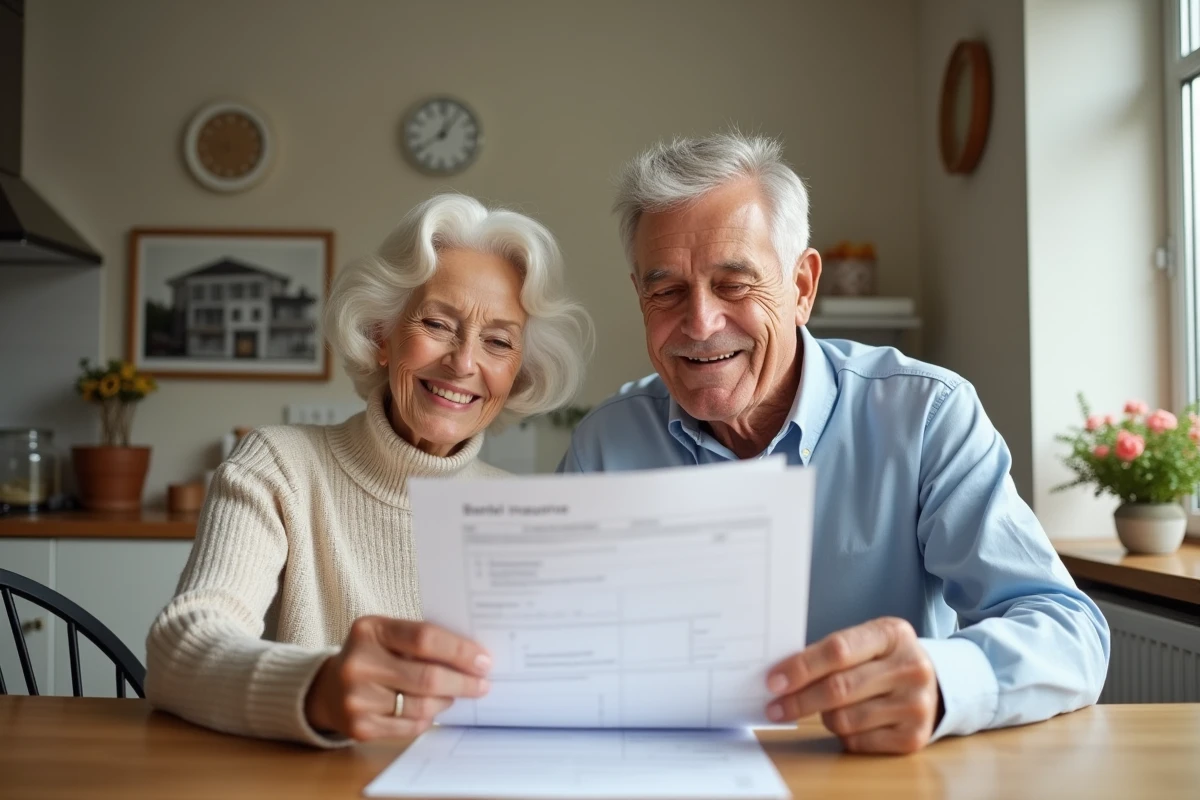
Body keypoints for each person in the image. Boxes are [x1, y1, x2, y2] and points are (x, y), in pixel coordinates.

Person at [559, 132, 1110, 754]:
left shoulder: (926, 415)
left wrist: (944, 683)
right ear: (640, 297)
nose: (701, 323)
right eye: (667, 291)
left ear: (802, 286)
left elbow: (1068, 630)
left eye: (734, 284)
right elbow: (548, 649)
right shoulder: (605, 446)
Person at [146, 194, 591, 746]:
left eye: (498, 341)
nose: (464, 362)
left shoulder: (521, 512)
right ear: (382, 335)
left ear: (517, 372)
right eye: (437, 323)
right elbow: (179, 650)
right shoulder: (279, 467)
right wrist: (318, 688)